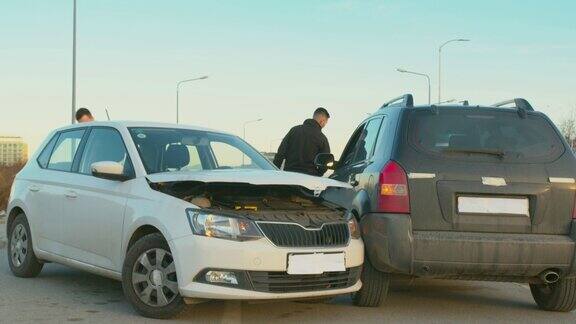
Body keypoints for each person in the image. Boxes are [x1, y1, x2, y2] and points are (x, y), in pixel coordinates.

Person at [273, 107, 331, 176]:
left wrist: (275, 172)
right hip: (310, 178)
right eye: (325, 123)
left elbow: (280, 153)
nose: (324, 125)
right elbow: (326, 161)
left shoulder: (294, 130)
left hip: (289, 175)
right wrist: (318, 174)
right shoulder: (322, 138)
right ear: (322, 121)